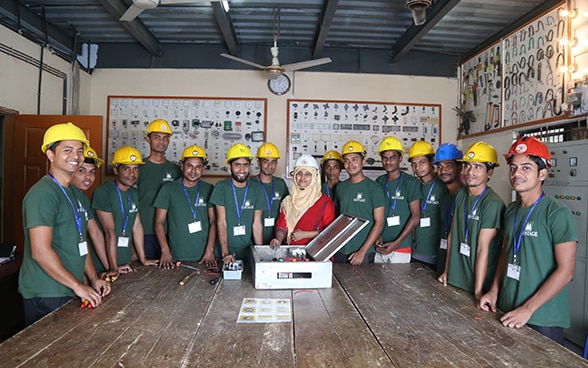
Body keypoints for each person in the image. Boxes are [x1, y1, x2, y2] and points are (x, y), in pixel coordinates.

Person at [478, 136, 577, 345]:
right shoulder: (511, 210)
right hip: (508, 307)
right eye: (513, 168)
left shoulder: (557, 213)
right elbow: (506, 253)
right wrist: (494, 291)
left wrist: (527, 309)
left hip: (541, 316)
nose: (517, 174)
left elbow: (566, 271)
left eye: (526, 168)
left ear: (542, 173)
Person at [19, 122, 110, 326]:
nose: (76, 156)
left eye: (79, 150)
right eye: (67, 150)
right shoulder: (43, 194)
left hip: (68, 287)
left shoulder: (74, 193)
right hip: (47, 291)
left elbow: (79, 243)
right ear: (50, 155)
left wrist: (93, 278)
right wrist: (78, 286)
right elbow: (40, 251)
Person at [438, 141, 505, 300]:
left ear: (490, 173)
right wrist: (447, 271)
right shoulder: (461, 195)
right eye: (468, 165)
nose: (470, 171)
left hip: (477, 285)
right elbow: (452, 235)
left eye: (478, 166)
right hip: (454, 279)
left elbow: (483, 248)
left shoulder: (492, 203)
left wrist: (478, 291)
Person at [92, 146, 158, 275]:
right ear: (116, 170)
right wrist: (113, 267)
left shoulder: (133, 193)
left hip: (125, 262)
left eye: (135, 169)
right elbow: (109, 232)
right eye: (126, 169)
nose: (132, 174)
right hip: (105, 266)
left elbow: (137, 226)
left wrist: (143, 259)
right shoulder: (103, 192)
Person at [153, 145, 217, 268]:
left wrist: (210, 250)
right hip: (176, 256)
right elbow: (159, 222)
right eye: (189, 166)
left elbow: (214, 221)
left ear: (203, 168)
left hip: (205, 256)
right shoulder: (168, 189)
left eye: (198, 167)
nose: (193, 171)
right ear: (182, 166)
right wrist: (165, 251)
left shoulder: (209, 189)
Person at [210, 143, 264, 265]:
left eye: (245, 165)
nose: (241, 170)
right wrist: (225, 252)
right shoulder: (221, 187)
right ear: (229, 166)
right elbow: (221, 222)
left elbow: (257, 224)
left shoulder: (257, 189)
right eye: (237, 165)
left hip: (248, 252)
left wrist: (260, 253)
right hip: (224, 252)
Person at [333, 141, 386, 265]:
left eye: (355, 159)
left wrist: (362, 251)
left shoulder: (374, 188)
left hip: (364, 252)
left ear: (363, 161)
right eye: (346, 160)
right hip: (341, 249)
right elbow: (339, 219)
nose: (350, 164)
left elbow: (379, 222)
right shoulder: (341, 188)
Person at [137, 119, 182, 260]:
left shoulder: (175, 170)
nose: (161, 141)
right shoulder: (139, 168)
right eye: (157, 137)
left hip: (171, 231)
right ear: (148, 139)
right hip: (144, 232)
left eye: (165, 138)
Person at [270, 155, 335, 248]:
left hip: (315, 253)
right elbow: (281, 226)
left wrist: (306, 234)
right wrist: (278, 239)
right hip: (291, 253)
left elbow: (330, 232)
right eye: (299, 173)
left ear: (315, 177)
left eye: (308, 174)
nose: (302, 177)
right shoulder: (288, 201)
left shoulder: (325, 203)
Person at [374, 136, 421, 264]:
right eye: (385, 158)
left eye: (393, 157)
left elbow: (416, 216)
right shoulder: (379, 181)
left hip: (401, 248)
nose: (388, 162)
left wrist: (396, 243)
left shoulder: (410, 182)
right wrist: (377, 236)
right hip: (380, 246)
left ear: (400, 158)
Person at [70, 146, 114, 278]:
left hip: (80, 271)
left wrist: (111, 269)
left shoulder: (82, 198)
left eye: (92, 172)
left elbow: (95, 233)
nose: (88, 177)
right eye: (82, 170)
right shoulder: (60, 195)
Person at [409, 140, 448, 270]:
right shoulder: (414, 185)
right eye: (414, 164)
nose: (417, 168)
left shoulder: (443, 186)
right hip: (415, 252)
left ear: (431, 162)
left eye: (421, 162)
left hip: (436, 254)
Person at [434, 143, 464, 275]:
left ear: (460, 167)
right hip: (442, 260)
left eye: (448, 165)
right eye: (439, 166)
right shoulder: (444, 198)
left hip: (459, 267)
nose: (443, 170)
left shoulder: (466, 197)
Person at [252, 142, 289, 244]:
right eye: (266, 161)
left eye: (273, 161)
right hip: (253, 238)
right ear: (258, 163)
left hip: (277, 237)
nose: (270, 165)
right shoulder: (250, 184)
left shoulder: (280, 184)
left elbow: (287, 209)